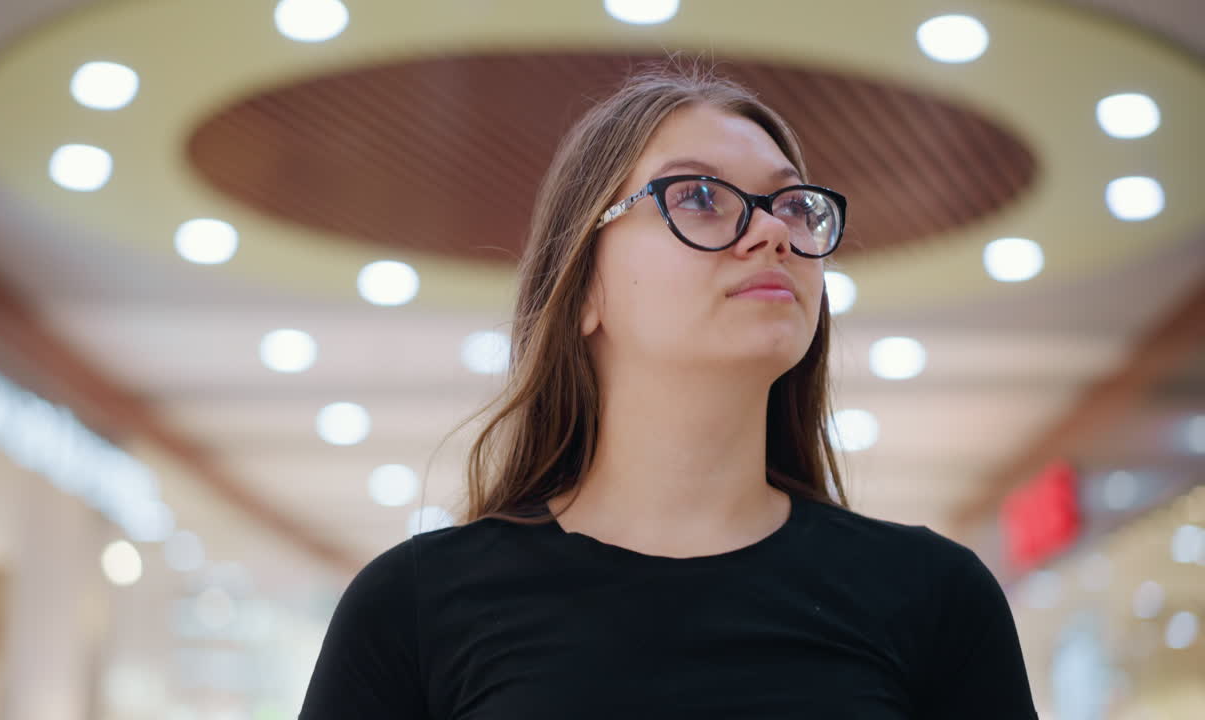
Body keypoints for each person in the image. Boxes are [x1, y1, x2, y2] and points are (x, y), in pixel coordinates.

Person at [299, 66, 1039, 719]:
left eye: (793, 207)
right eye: (700, 197)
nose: (772, 235)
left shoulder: (934, 597)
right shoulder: (417, 607)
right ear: (583, 285)